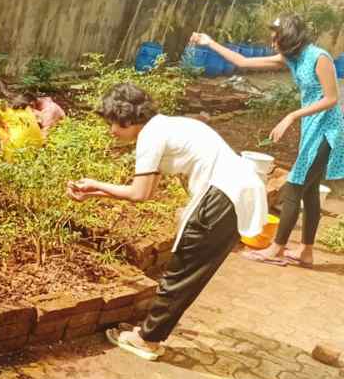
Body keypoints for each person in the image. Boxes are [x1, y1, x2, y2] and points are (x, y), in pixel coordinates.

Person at [67, 83, 267, 360]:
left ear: (129, 118)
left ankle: (147, 340)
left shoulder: (150, 136)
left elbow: (138, 194)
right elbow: (148, 192)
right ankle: (151, 332)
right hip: (237, 192)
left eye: (114, 123)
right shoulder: (169, 126)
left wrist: (94, 184)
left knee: (183, 271)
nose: (111, 130)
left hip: (223, 196)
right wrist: (94, 192)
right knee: (190, 270)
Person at [191, 14, 344, 268]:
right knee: (310, 191)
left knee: (295, 186)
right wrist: (210, 42)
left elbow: (331, 99)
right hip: (312, 128)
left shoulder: (320, 58)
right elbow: (243, 61)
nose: (273, 44)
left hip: (327, 131)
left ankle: (276, 249)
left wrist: (291, 115)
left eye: (277, 39)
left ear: (290, 38)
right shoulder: (291, 58)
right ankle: (306, 251)